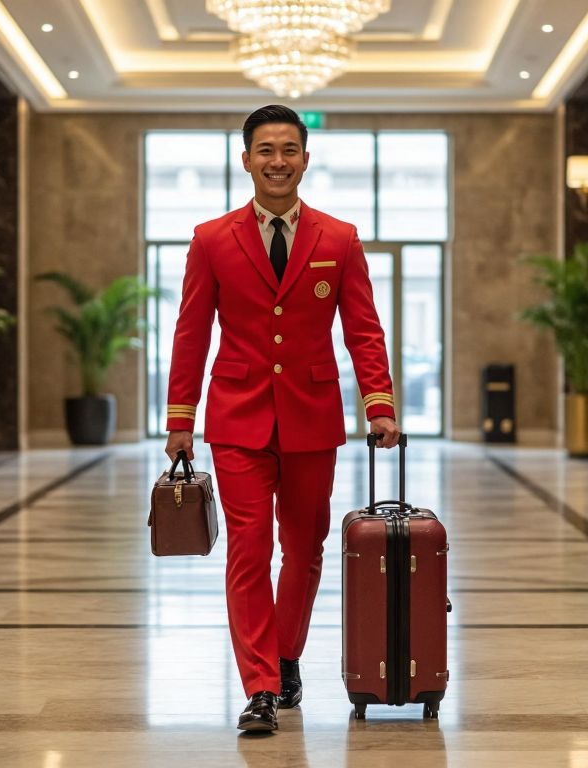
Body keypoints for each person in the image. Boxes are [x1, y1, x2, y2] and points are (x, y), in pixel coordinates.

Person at [163, 105, 400, 733]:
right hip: (236, 420)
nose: (277, 161)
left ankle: (287, 653)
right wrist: (180, 417)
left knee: (304, 548)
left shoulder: (339, 239)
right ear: (245, 161)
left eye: (288, 150)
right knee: (248, 548)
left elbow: (364, 331)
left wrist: (379, 406)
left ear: (305, 159)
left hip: (313, 418)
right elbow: (191, 333)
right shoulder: (212, 239)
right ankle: (261, 685)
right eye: (265, 150)